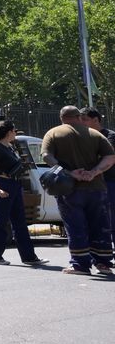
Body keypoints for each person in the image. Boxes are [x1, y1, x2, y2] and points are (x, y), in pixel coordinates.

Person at [41, 105, 115, 275]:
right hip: (96, 187)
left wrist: (69, 172)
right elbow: (110, 157)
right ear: (79, 117)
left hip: (68, 189)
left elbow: (47, 156)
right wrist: (94, 172)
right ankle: (103, 263)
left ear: (61, 117)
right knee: (100, 225)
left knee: (76, 226)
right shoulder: (95, 134)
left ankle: (80, 264)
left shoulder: (53, 133)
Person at [0, 120, 44, 266]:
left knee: (20, 222)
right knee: (0, 222)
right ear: (9, 132)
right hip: (3, 184)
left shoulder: (9, 147)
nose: (15, 133)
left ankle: (29, 257)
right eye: (14, 131)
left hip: (15, 185)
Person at [80, 107, 115, 238]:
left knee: (111, 220)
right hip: (92, 183)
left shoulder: (109, 136)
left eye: (85, 119)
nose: (81, 122)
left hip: (109, 182)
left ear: (96, 120)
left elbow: (109, 154)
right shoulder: (83, 137)